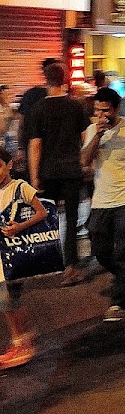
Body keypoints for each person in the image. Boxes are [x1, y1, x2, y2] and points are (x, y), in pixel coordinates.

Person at [80, 86, 125, 321]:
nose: (101, 115)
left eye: (105, 110)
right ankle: (124, 277)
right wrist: (97, 134)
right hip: (101, 199)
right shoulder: (91, 129)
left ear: (116, 108)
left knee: (122, 250)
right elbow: (85, 161)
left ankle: (118, 303)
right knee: (98, 246)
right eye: (97, 110)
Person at [26, 61, 90, 286]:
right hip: (72, 171)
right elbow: (86, 139)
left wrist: (34, 176)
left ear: (46, 80)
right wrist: (86, 163)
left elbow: (35, 145)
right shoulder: (76, 107)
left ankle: (44, 262)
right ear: (64, 80)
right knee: (71, 219)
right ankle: (70, 266)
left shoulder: (38, 109)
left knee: (46, 219)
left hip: (48, 172)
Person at [0, 146, 48, 369]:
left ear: (9, 165)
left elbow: (42, 213)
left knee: (10, 298)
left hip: (15, 253)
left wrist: (19, 227)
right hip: (1, 255)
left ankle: (23, 342)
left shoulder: (20, 187)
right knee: (5, 301)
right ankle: (19, 340)